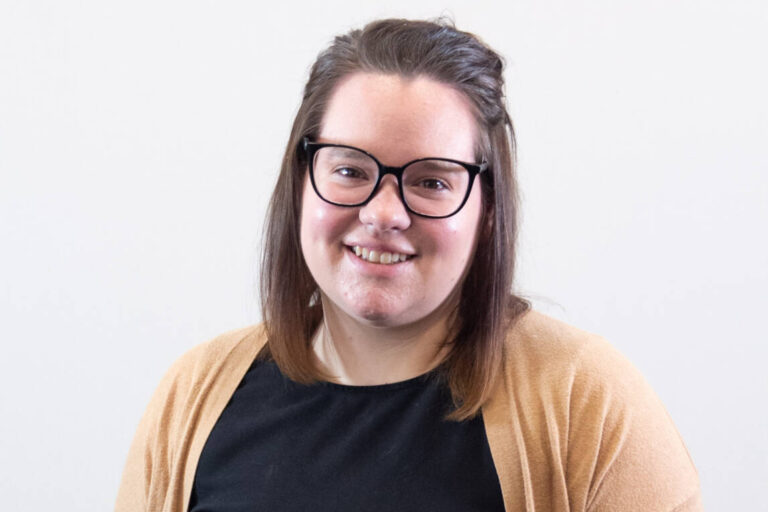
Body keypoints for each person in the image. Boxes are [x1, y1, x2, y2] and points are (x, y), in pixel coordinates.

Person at [115, 18, 702, 512]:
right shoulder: (194, 394)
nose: (384, 213)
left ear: (488, 207)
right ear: (301, 183)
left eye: (430, 181)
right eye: (349, 170)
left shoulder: (587, 400)